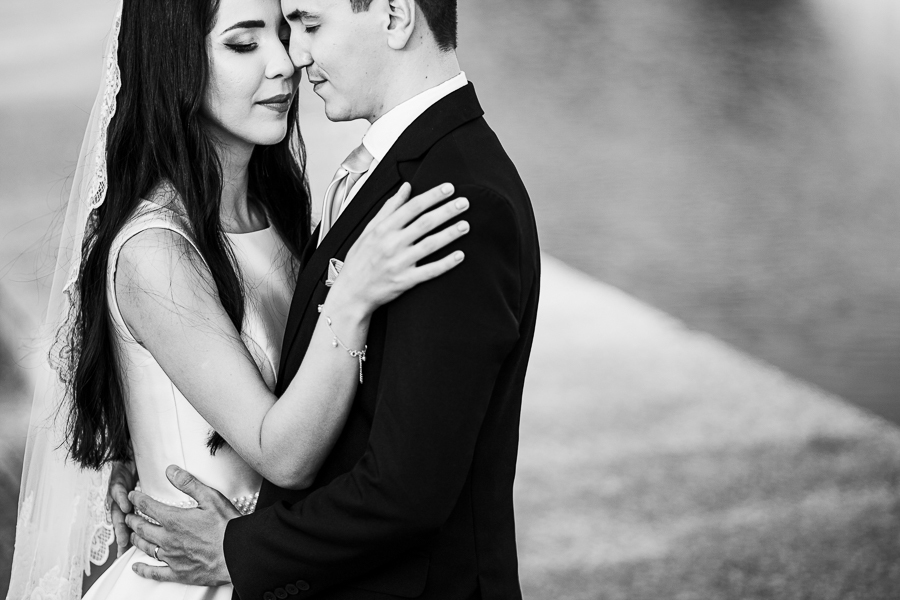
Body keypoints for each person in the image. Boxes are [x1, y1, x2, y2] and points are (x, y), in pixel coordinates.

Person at [6, 0, 469, 598]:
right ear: (175, 66)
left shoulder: (278, 214)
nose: (287, 63)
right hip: (195, 580)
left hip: (274, 571)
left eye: (285, 33)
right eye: (244, 45)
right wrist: (350, 298)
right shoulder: (155, 251)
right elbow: (284, 456)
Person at [125, 0, 541, 598]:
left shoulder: (455, 199)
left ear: (396, 16)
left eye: (308, 24)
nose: (294, 57)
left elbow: (408, 488)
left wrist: (239, 551)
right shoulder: (391, 172)